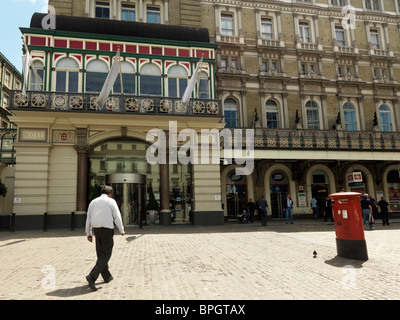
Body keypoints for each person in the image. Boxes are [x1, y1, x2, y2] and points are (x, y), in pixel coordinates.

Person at [85, 185, 125, 291]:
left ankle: (107, 276)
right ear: (110, 193)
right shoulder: (111, 201)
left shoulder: (93, 202)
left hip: (96, 230)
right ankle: (92, 277)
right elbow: (117, 216)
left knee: (101, 253)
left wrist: (88, 233)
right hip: (107, 230)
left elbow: (88, 218)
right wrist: (121, 229)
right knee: (106, 254)